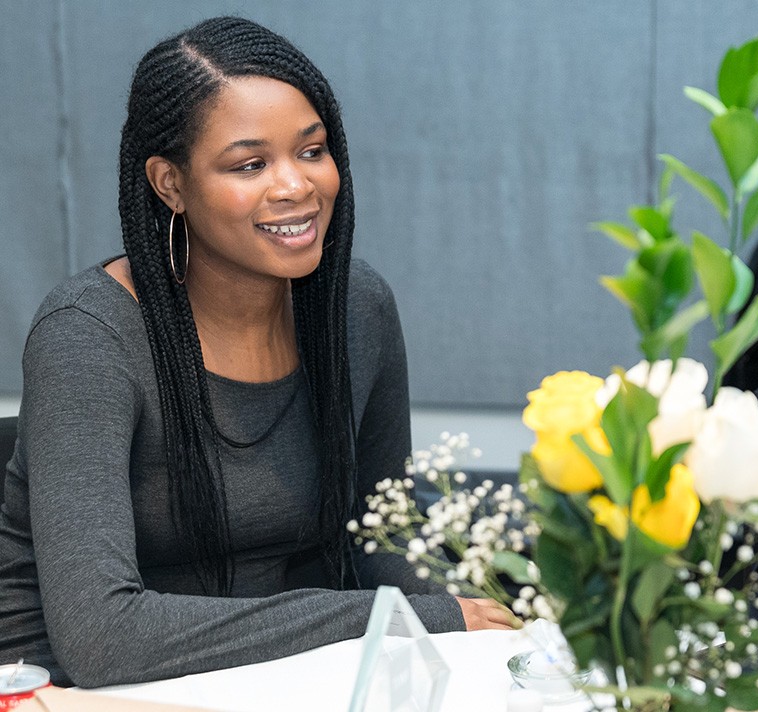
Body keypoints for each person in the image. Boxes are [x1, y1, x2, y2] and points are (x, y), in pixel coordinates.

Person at [0, 16, 512, 688]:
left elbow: (382, 537)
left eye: (311, 150)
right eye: (250, 164)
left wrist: (471, 615)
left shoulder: (356, 309)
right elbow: (102, 636)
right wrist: (384, 618)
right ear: (170, 184)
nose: (296, 186)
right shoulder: (87, 335)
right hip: (73, 686)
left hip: (284, 673)